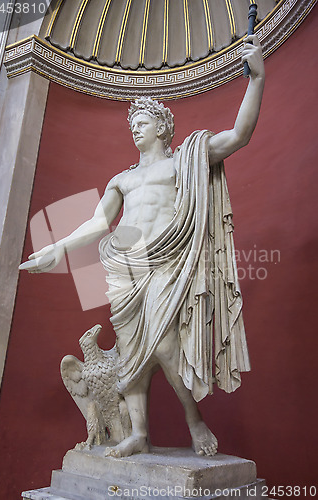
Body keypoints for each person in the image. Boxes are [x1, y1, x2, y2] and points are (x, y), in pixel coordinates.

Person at [20, 35, 265, 458]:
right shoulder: (122, 179)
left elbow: (239, 135)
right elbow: (99, 221)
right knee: (133, 350)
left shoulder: (184, 160)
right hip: (126, 270)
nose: (134, 127)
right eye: (131, 123)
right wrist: (58, 247)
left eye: (142, 122)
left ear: (162, 127)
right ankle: (138, 433)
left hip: (167, 263)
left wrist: (257, 78)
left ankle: (194, 420)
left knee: (166, 344)